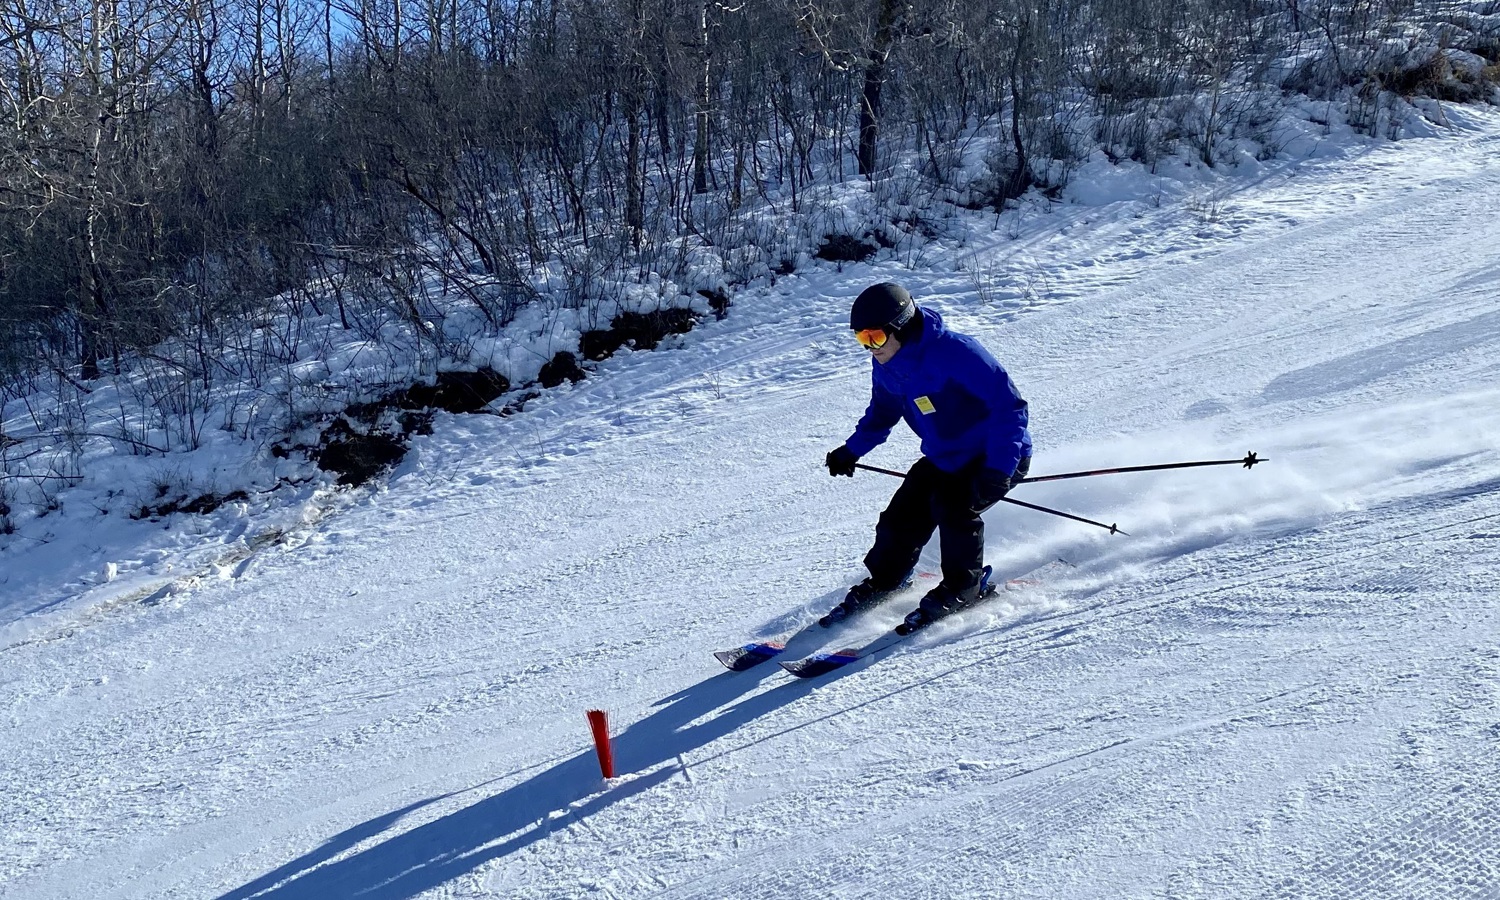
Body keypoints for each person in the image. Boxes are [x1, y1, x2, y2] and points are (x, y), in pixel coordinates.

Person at [824, 282, 1032, 630]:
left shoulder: (957, 353)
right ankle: (887, 579)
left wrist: (999, 468)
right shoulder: (888, 365)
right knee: (901, 515)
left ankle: (965, 588)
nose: (869, 348)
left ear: (900, 326)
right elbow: (882, 412)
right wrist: (851, 450)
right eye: (862, 339)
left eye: (874, 338)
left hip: (993, 455)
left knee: (954, 509)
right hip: (945, 456)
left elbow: (1009, 410)